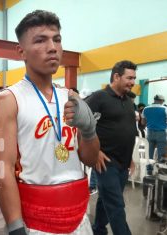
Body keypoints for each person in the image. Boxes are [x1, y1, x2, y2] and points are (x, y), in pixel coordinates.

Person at [0, 10, 99, 235]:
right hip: (36, 222)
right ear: (21, 51)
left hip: (79, 215)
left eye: (56, 39)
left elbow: (89, 158)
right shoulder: (8, 101)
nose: (52, 47)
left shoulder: (71, 97)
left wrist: (89, 131)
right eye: (40, 40)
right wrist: (15, 227)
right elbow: (4, 170)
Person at [86, 60, 138, 235]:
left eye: (134, 78)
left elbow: (127, 131)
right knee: (116, 205)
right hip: (106, 162)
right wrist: (95, 152)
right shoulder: (99, 97)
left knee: (106, 199)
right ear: (116, 76)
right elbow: (81, 126)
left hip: (123, 163)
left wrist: (130, 158)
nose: (133, 82)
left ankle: (98, 230)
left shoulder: (128, 100)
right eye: (129, 78)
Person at [141, 95, 167, 161]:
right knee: (161, 155)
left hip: (150, 133)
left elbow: (143, 123)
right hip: (161, 133)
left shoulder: (146, 108)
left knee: (149, 155)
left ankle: (149, 170)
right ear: (161, 101)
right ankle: (159, 170)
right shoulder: (165, 109)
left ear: (154, 100)